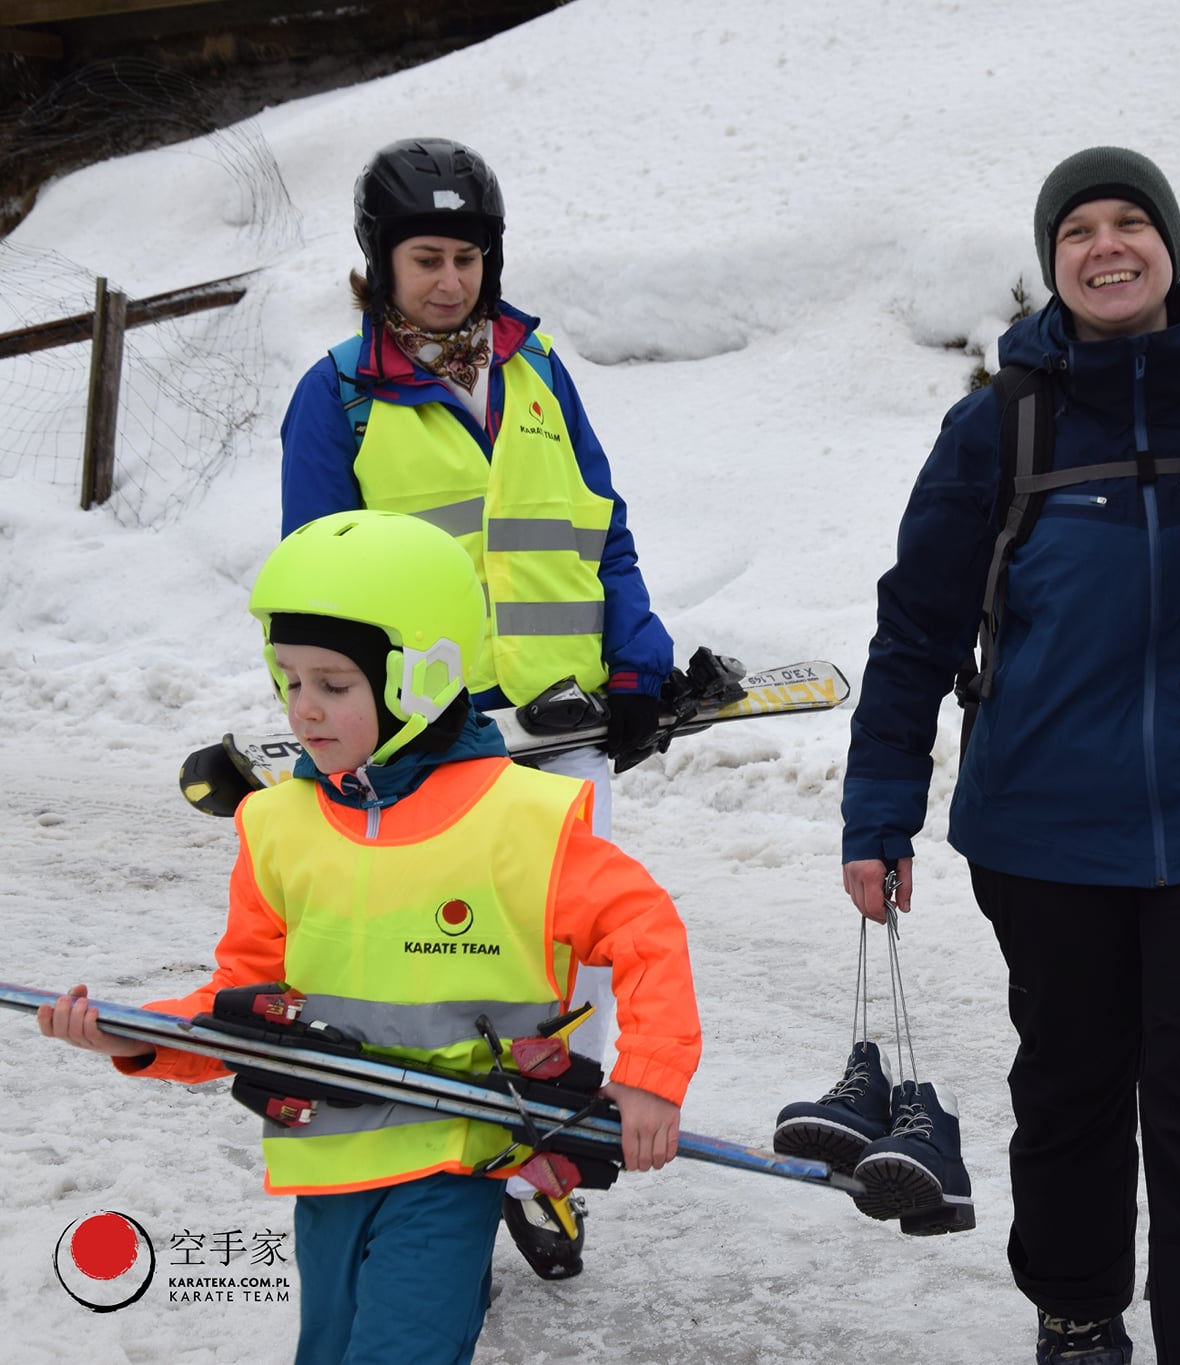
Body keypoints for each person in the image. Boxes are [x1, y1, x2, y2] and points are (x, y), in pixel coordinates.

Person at [839, 147, 1180, 1365]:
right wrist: (878, 811)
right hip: (1043, 835)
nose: (1105, 246)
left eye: (1128, 222)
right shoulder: (998, 426)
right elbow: (915, 628)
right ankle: (1077, 1315)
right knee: (1072, 1090)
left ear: (1169, 248)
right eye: (1077, 229)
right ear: (1051, 264)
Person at [39, 508, 701, 1365]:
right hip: (326, 1158)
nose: (302, 708)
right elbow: (245, 1002)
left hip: (453, 1155)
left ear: (422, 677)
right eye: (289, 679)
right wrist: (141, 1037)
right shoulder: (277, 825)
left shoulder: (521, 821)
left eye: (334, 684)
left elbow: (646, 931)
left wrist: (650, 1075)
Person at [279, 135, 675, 1275]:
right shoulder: (342, 395)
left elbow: (600, 526)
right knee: (442, 962)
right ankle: (436, 1171)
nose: (449, 280)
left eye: (466, 257)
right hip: (432, 740)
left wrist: (635, 666)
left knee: (572, 956)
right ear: (381, 263)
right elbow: (316, 581)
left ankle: (544, 1164)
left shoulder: (538, 368)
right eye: (426, 258)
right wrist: (365, 720)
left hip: (563, 727)